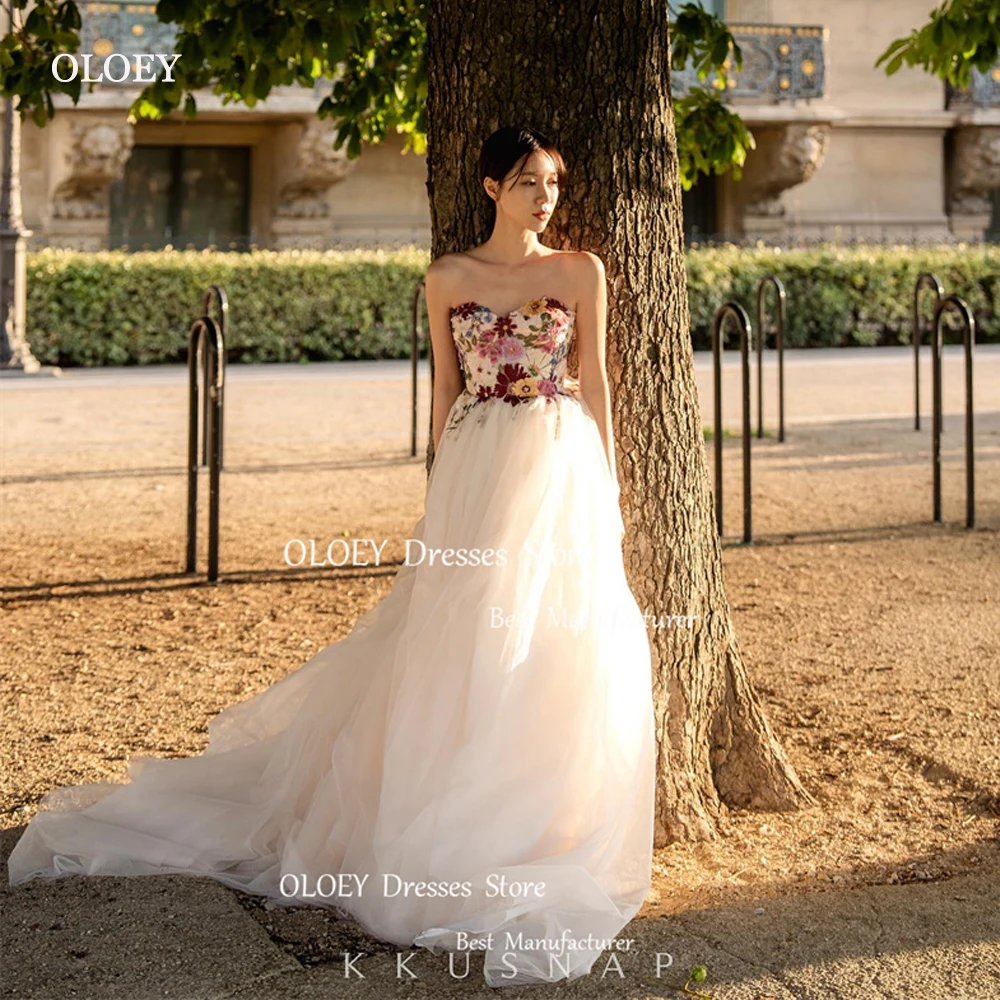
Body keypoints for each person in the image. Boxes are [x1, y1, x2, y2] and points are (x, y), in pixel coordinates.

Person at [7, 125, 656, 987]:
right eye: (529, 181)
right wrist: (440, 486)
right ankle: (454, 808)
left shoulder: (580, 271)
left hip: (559, 463)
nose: (546, 197)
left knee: (553, 636)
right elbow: (447, 386)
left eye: (554, 183)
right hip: (475, 465)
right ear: (491, 187)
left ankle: (539, 820)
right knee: (457, 635)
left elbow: (599, 377)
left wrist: (609, 489)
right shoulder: (449, 277)